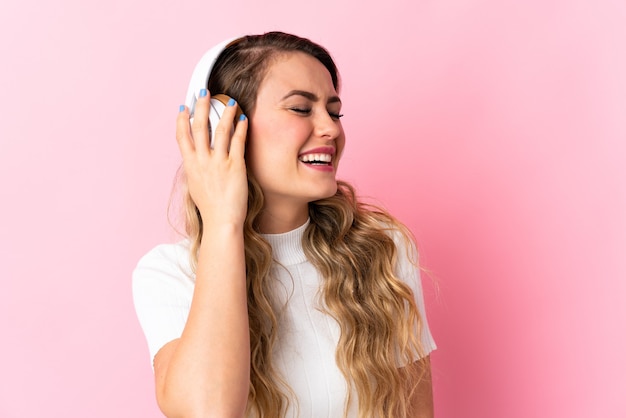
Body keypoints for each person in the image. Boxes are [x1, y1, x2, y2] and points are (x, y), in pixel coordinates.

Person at [133, 31, 436, 418]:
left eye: (334, 111)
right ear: (221, 127)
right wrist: (224, 221)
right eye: (300, 109)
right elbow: (208, 411)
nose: (331, 129)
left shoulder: (382, 250)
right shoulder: (169, 274)